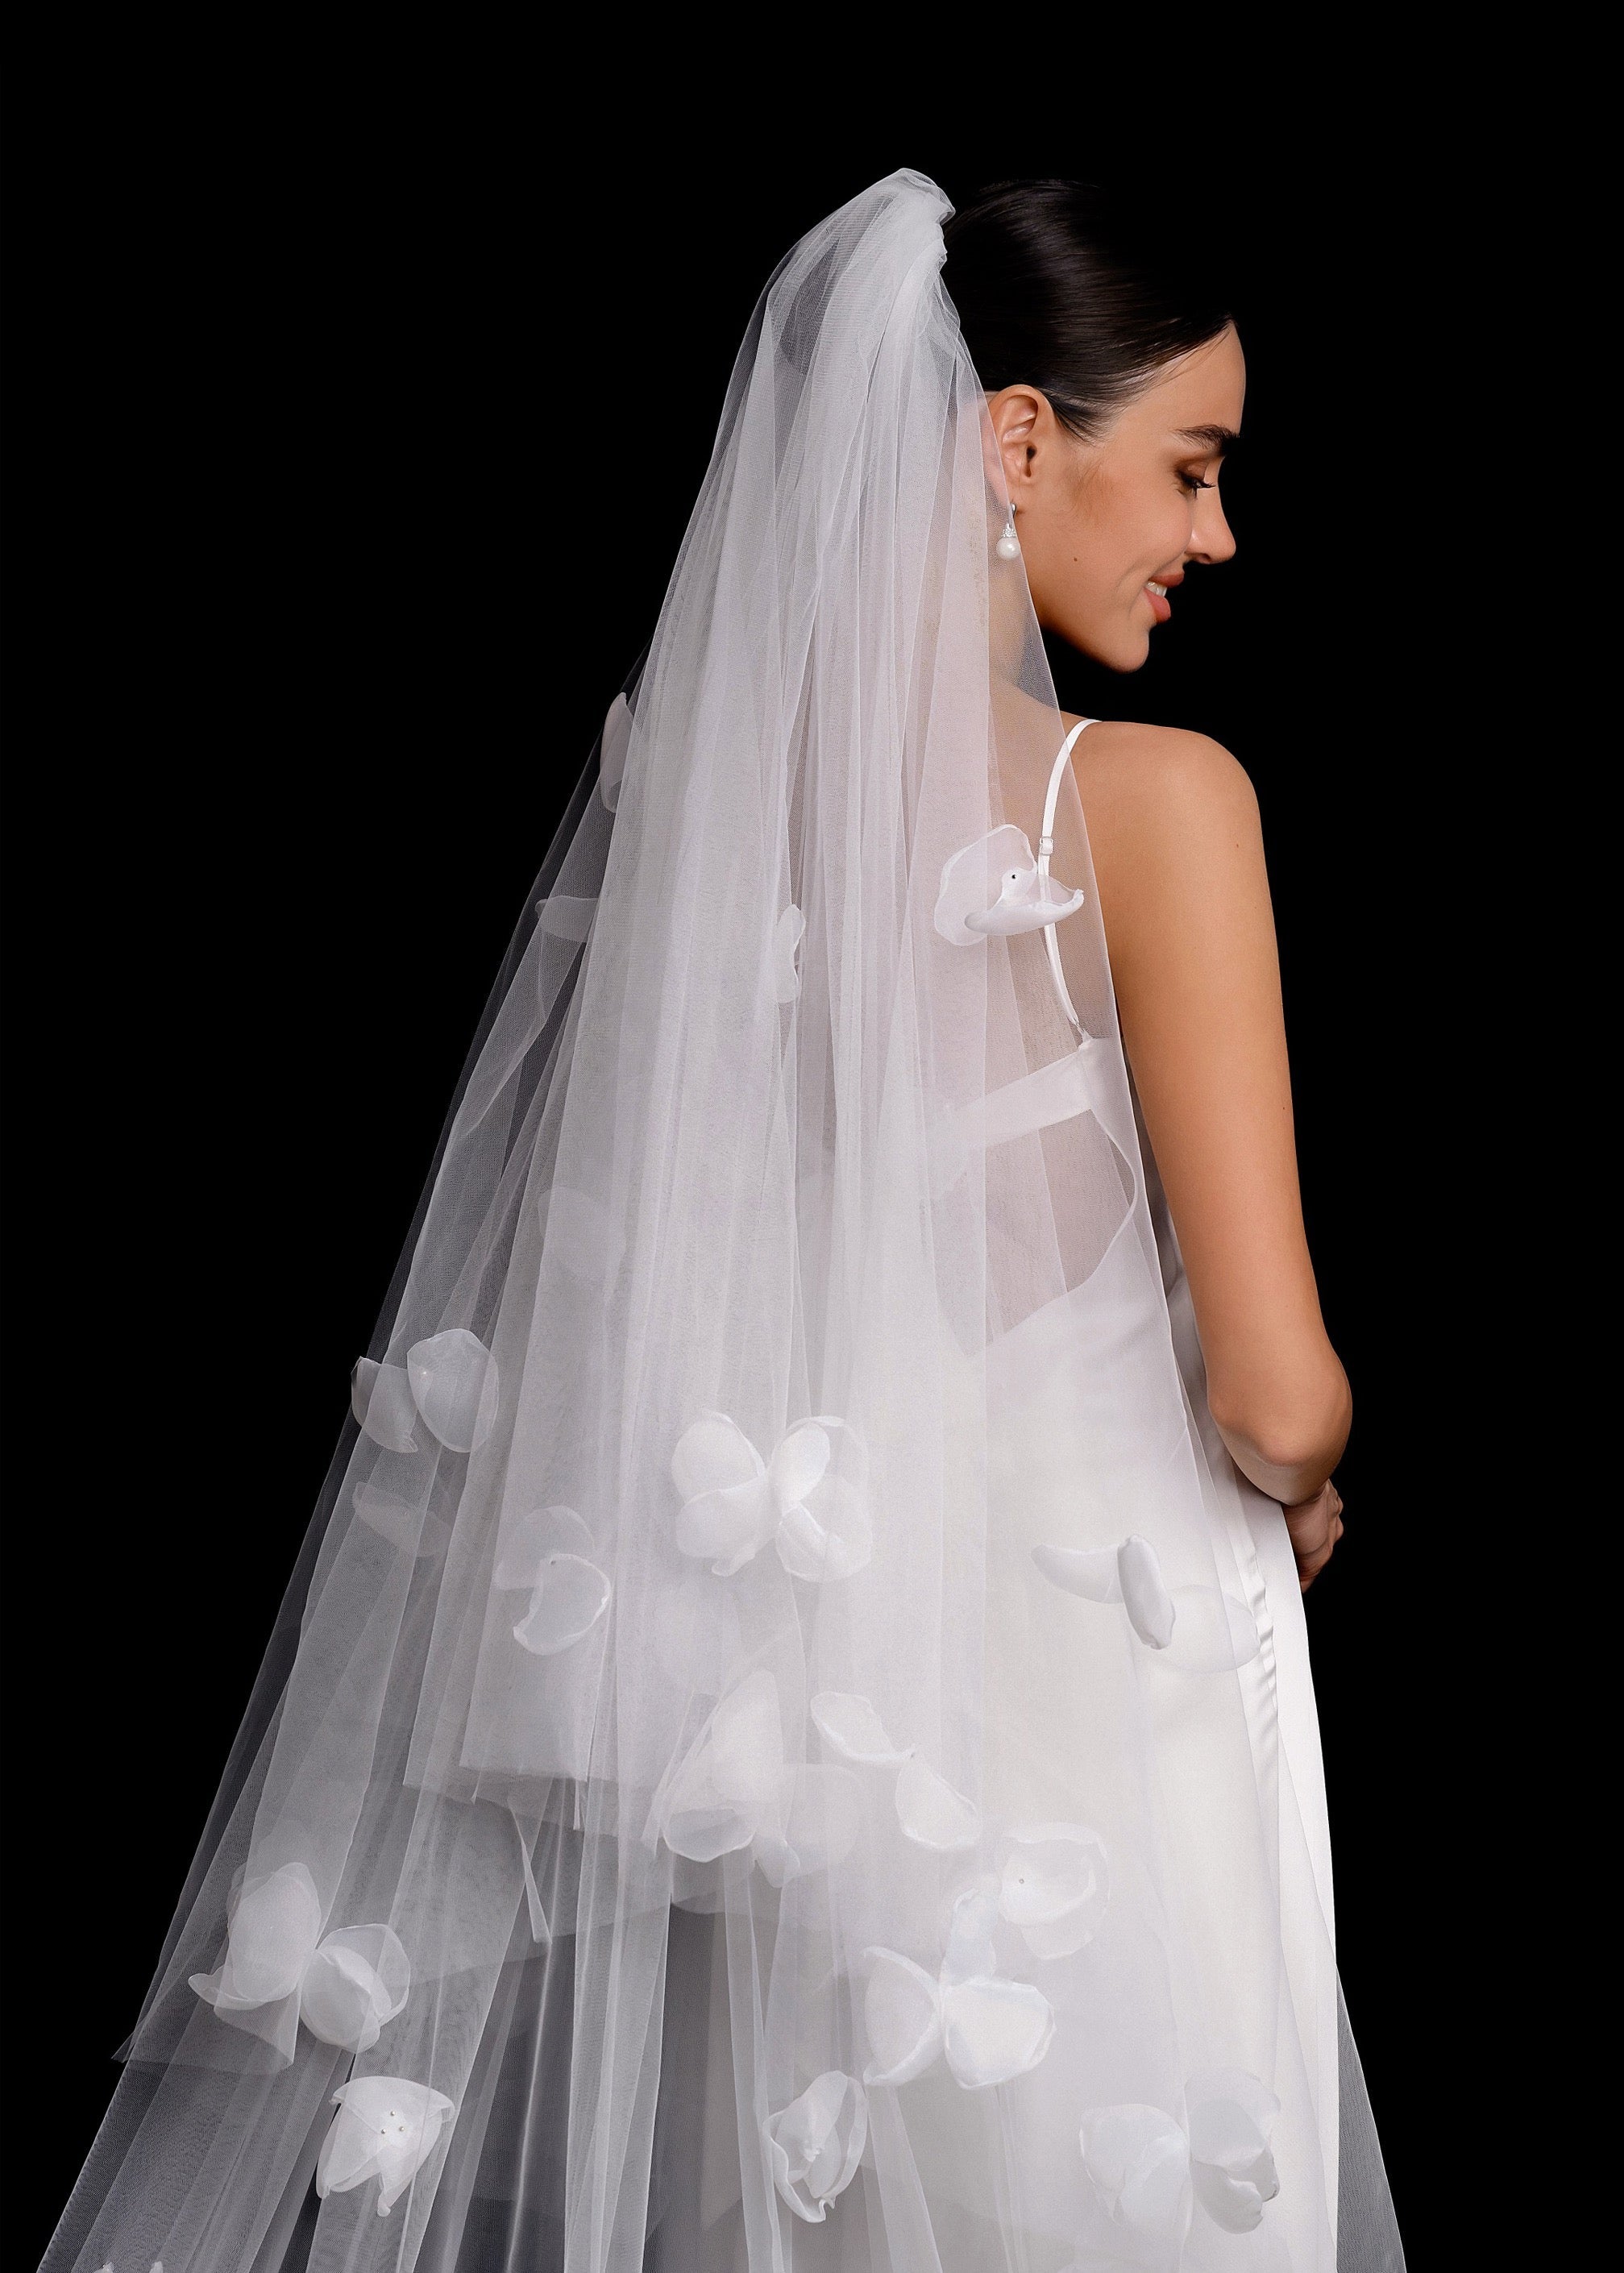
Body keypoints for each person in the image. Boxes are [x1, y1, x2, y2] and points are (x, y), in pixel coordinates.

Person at [47, 171, 1402, 2271]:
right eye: (1194, 469)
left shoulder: (698, 800)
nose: (1216, 536)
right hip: (1106, 1713)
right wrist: (1302, 1476)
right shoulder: (1155, 804)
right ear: (1020, 440)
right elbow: (1278, 1384)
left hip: (826, 1744)